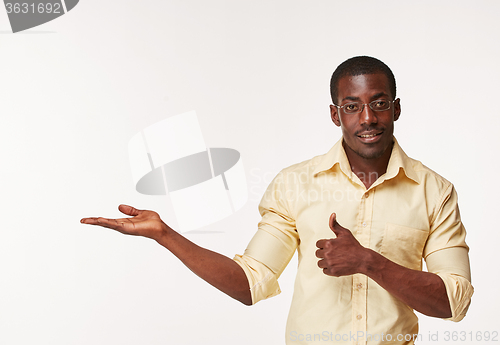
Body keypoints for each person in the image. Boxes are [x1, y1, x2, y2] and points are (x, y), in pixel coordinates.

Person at [81, 56, 473, 345]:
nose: (367, 117)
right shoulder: (295, 184)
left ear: (397, 108)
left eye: (379, 103)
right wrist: (165, 235)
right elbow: (250, 284)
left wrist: (368, 262)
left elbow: (454, 302)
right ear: (336, 115)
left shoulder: (434, 191)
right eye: (352, 106)